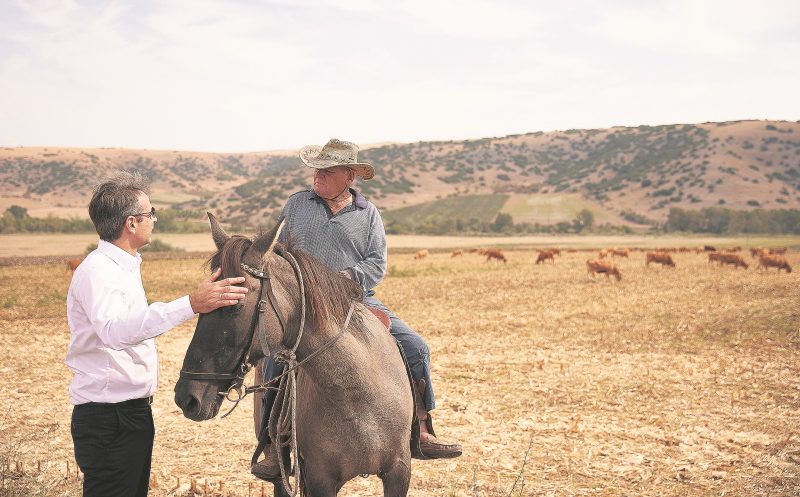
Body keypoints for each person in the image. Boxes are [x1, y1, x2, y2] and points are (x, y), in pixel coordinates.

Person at [251, 139, 462, 481]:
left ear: (349, 176)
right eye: (316, 169)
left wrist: (343, 279)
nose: (317, 175)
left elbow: (377, 263)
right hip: (303, 304)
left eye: (327, 170)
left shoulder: (368, 213)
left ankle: (421, 430)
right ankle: (276, 446)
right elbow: (278, 251)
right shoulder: (296, 205)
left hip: (356, 300)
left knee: (416, 347)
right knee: (276, 359)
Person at [66, 171, 249, 497]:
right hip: (109, 418)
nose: (155, 219)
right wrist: (192, 304)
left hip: (128, 412)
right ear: (131, 223)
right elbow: (113, 331)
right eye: (150, 213)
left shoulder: (123, 267)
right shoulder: (98, 272)